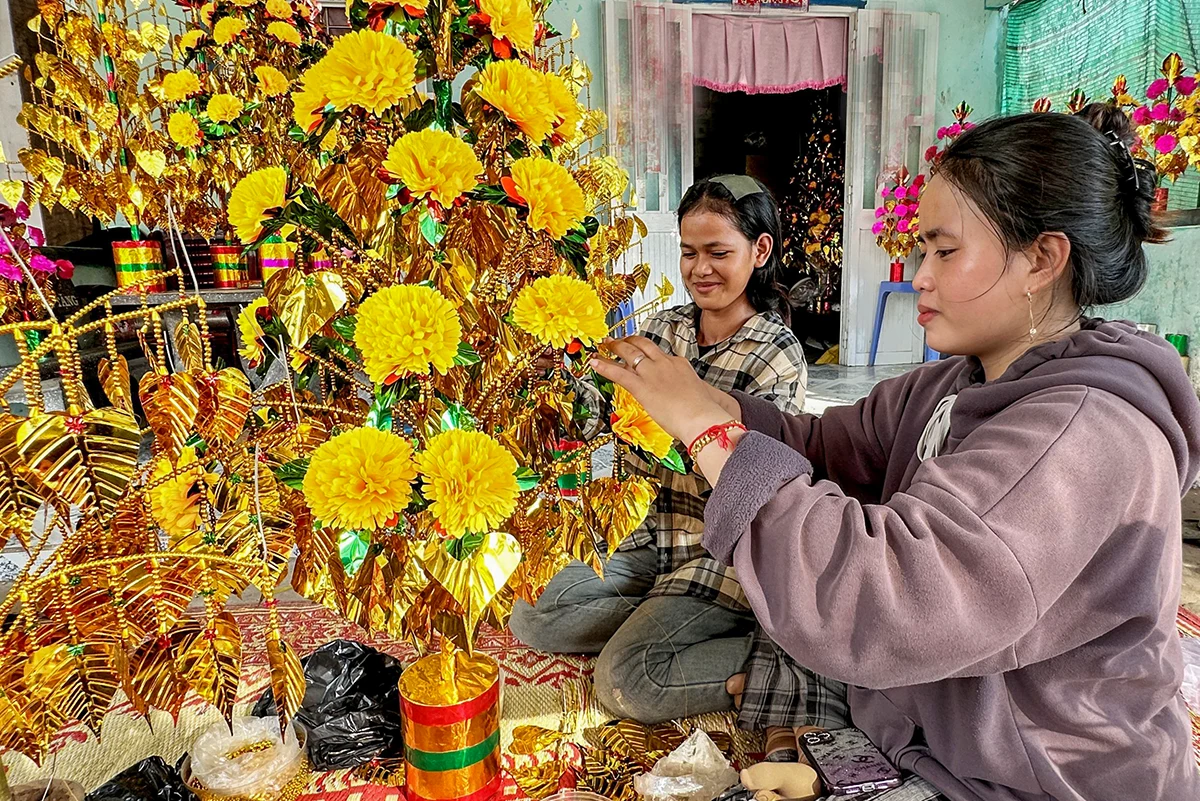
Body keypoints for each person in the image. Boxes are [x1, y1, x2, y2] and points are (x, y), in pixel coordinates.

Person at [592, 113, 1200, 800]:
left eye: (944, 251)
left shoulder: (1084, 434)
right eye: (920, 250)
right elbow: (825, 447)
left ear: (1041, 259)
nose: (920, 276)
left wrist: (704, 426)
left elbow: (883, 599)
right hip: (926, 720)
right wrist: (706, 399)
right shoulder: (956, 379)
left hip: (1035, 776)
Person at [509, 175, 809, 726]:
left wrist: (665, 426)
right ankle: (662, 618)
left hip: (720, 554)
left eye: (719, 252)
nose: (700, 270)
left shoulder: (776, 354)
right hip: (653, 531)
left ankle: (789, 661)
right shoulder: (663, 328)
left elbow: (746, 481)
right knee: (532, 615)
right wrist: (574, 383)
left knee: (628, 682)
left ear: (759, 250)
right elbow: (612, 425)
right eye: (689, 252)